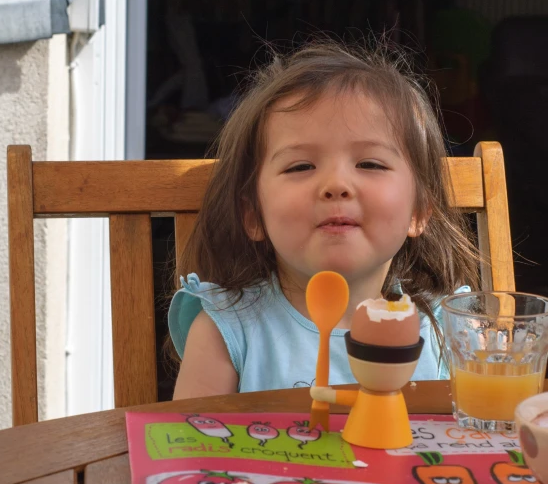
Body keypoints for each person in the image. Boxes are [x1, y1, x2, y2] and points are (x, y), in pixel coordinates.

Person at [167, 39, 479, 400]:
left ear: (418, 211)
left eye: (370, 164)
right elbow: (191, 449)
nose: (336, 185)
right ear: (253, 215)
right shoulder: (229, 329)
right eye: (301, 166)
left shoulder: (450, 329)